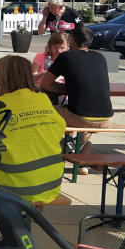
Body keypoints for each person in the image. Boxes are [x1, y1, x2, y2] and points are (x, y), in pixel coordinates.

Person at [0, 55, 67, 204]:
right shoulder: (43, 100)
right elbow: (59, 130)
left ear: (3, 78)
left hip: (10, 188)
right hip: (51, 185)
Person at [41, 25, 112, 161]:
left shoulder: (66, 57)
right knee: (82, 112)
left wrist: (65, 89)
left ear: (72, 40)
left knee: (45, 112)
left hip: (81, 118)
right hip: (107, 119)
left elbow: (45, 83)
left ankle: (50, 153)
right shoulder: (100, 57)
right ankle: (81, 155)